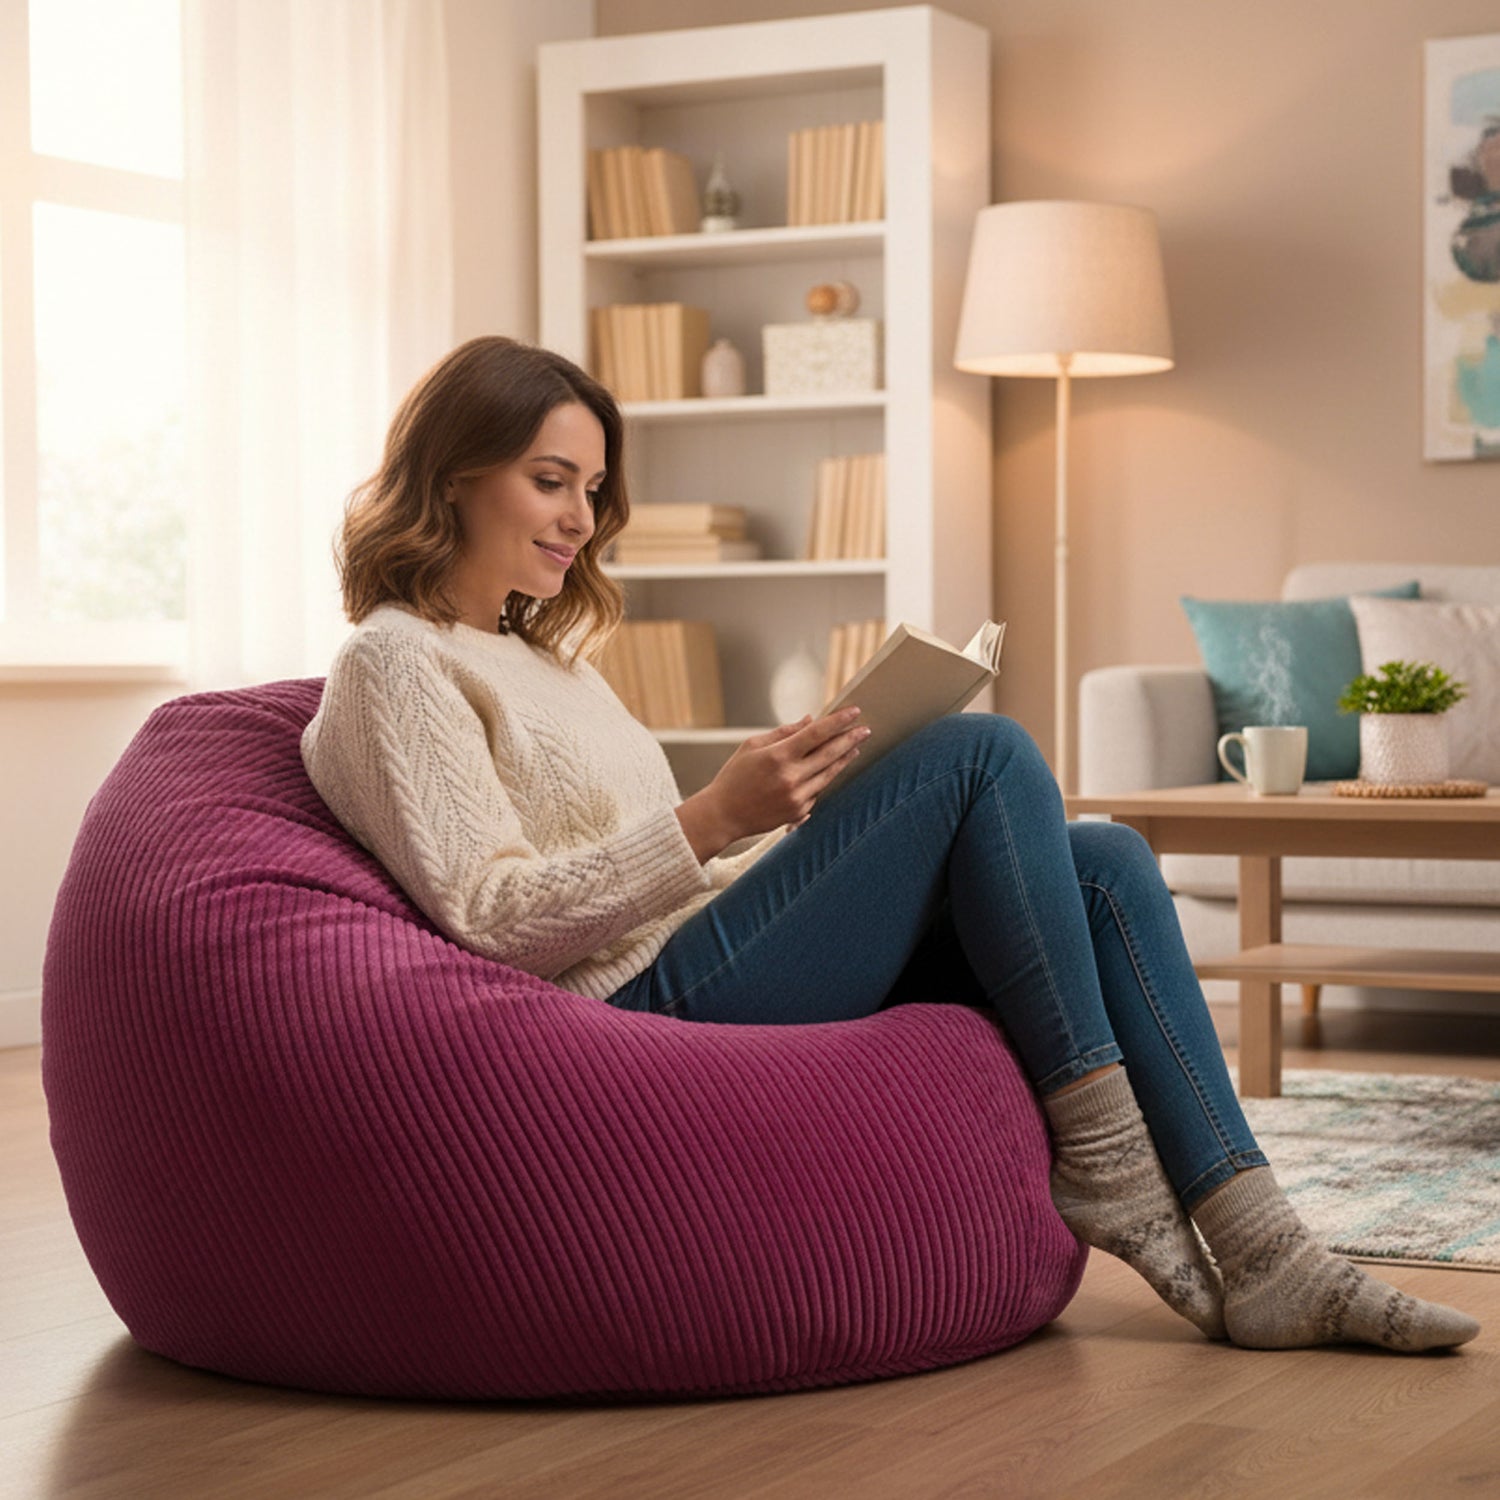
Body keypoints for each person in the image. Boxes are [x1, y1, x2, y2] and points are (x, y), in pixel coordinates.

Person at [303, 336, 1478, 1354]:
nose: (579, 518)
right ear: (454, 477)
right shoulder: (395, 661)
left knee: (1106, 860)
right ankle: (1111, 1168)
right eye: (549, 480)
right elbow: (493, 917)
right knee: (984, 751)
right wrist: (716, 816)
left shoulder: (548, 654)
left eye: (593, 489)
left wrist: (778, 828)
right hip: (632, 1010)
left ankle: (1266, 1249)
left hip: (696, 942)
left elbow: (651, 862)